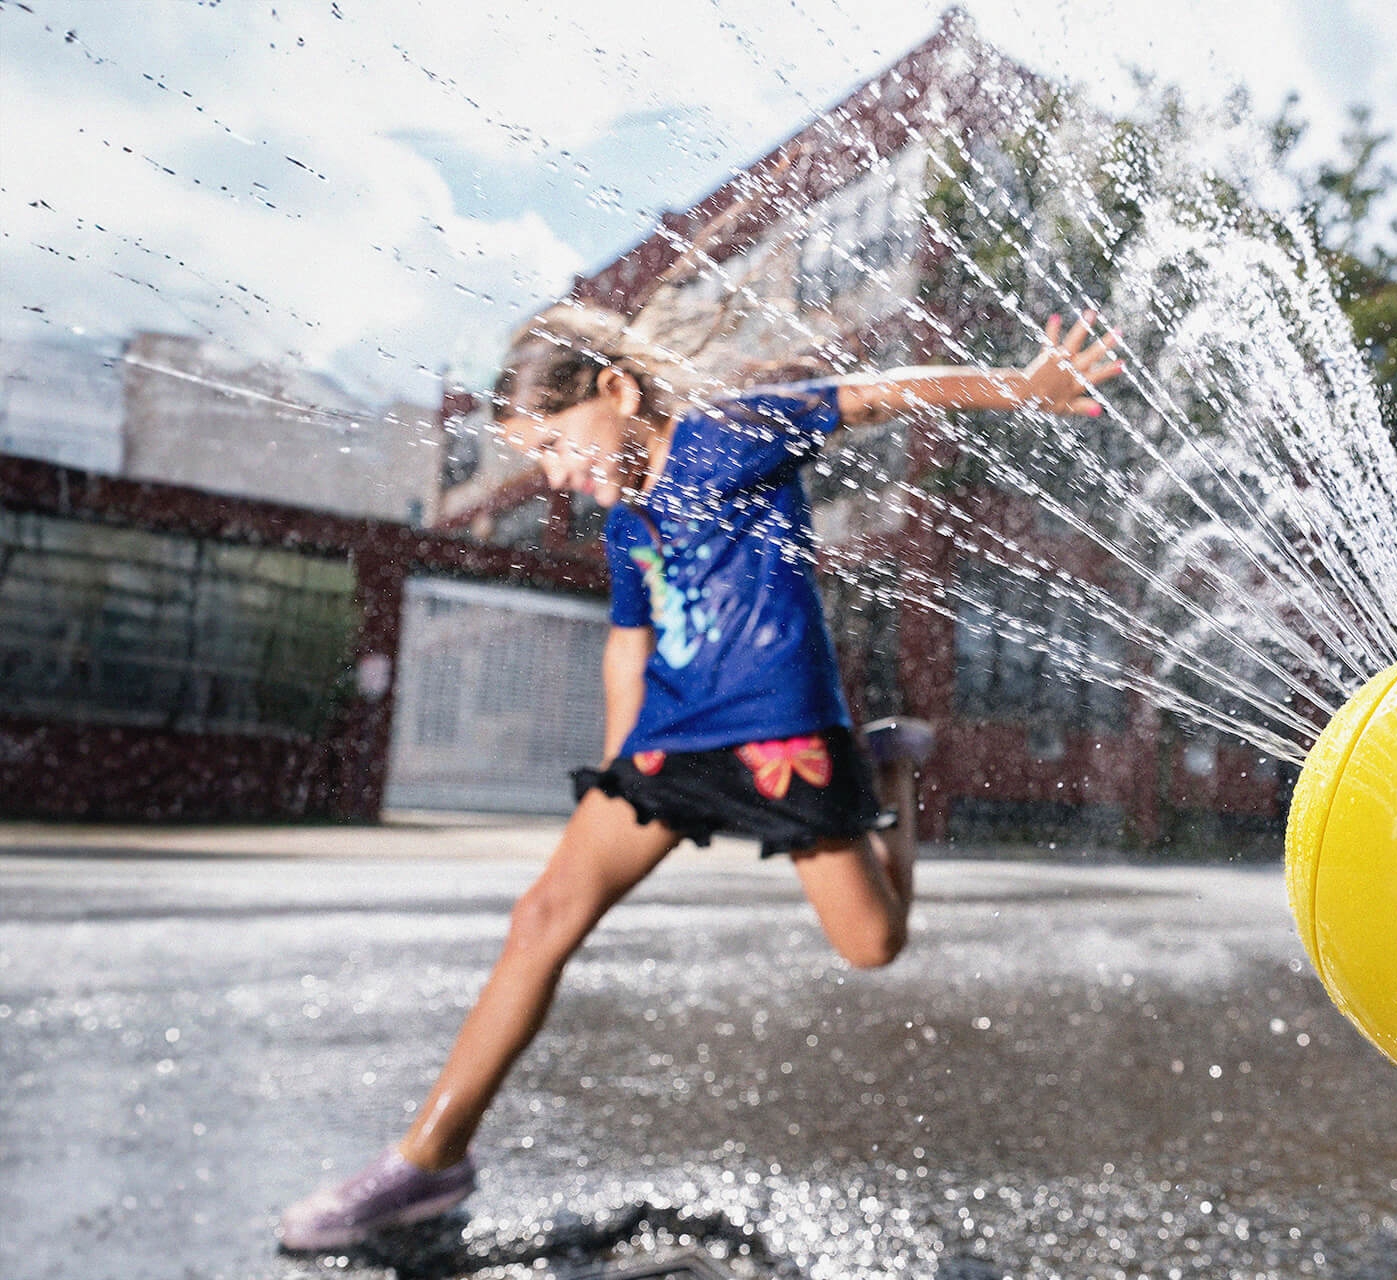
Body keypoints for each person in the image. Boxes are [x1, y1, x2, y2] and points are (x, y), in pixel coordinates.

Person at [276, 303, 1123, 1251]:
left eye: (555, 444)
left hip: (780, 736)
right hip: (671, 739)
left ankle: (886, 773)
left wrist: (1026, 387)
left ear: (617, 391)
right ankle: (424, 1164)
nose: (556, 473)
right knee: (542, 916)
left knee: (874, 943)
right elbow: (626, 648)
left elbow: (879, 395)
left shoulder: (733, 433)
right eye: (538, 460)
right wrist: (616, 772)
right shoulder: (625, 521)